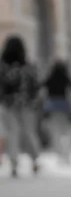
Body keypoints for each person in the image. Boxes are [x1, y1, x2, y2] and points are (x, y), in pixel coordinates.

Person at [0, 35, 42, 177]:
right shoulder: (28, 66)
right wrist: (35, 101)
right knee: (29, 132)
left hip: (7, 104)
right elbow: (36, 86)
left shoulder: (2, 66)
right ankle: (35, 160)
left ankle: (14, 163)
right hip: (26, 104)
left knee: (12, 134)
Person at [43, 60, 71, 164]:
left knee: (55, 132)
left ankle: (59, 155)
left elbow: (41, 87)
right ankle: (66, 154)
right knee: (65, 132)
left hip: (52, 106)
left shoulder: (50, 78)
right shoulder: (65, 77)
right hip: (64, 105)